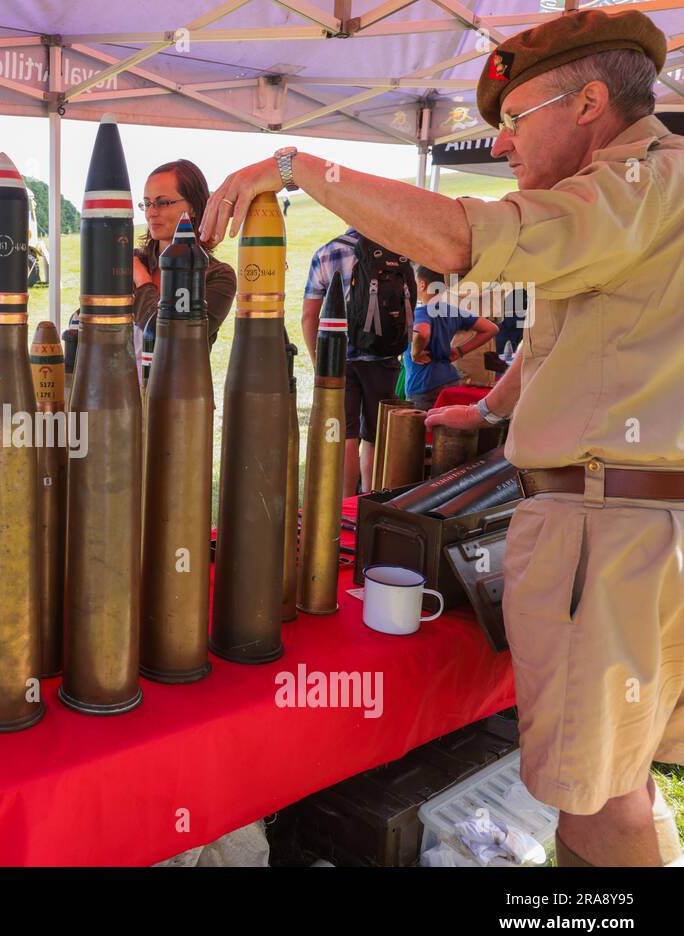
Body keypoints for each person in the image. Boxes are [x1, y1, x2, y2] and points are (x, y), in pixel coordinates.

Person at [201, 8, 684, 867]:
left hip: (607, 541)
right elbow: (561, 341)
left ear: (589, 103)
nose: (502, 147)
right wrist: (490, 413)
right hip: (643, 528)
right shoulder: (641, 201)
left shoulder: (634, 185)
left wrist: (297, 164)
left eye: (514, 122)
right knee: (625, 774)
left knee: (596, 806)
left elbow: (467, 237)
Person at [302, 229, 412, 495]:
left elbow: (309, 316)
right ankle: (371, 502)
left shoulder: (327, 252)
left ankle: (345, 506)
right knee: (375, 436)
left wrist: (320, 362)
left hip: (339, 358)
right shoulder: (398, 248)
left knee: (345, 434)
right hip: (384, 356)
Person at [131, 159, 237, 373]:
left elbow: (170, 343)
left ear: (194, 207)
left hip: (181, 400)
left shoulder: (217, 276)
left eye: (163, 202)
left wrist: (142, 282)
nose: (151, 212)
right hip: (119, 400)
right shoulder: (133, 262)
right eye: (147, 203)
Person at [403, 266, 498, 410]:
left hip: (423, 385)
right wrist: (460, 350)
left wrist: (416, 353)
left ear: (422, 285)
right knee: (447, 430)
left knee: (422, 430)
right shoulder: (452, 311)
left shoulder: (422, 311)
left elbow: (423, 332)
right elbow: (491, 328)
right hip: (451, 380)